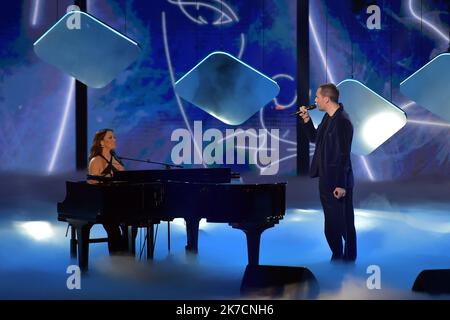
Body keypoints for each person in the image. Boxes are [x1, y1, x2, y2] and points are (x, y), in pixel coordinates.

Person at [297, 83, 357, 262]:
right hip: (325, 179)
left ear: (326, 99)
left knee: (343, 223)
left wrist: (341, 184)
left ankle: (349, 258)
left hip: (338, 183)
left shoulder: (343, 121)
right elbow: (315, 138)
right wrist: (306, 120)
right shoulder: (328, 118)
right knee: (331, 226)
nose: (315, 100)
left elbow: (344, 155)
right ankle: (337, 256)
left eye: (317, 97)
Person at [88, 128, 127, 253]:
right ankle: (117, 261)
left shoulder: (116, 159)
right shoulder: (96, 160)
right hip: (103, 204)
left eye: (114, 137)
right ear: (101, 142)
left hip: (119, 201)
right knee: (113, 228)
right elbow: (93, 184)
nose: (114, 139)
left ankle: (127, 257)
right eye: (110, 137)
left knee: (131, 226)